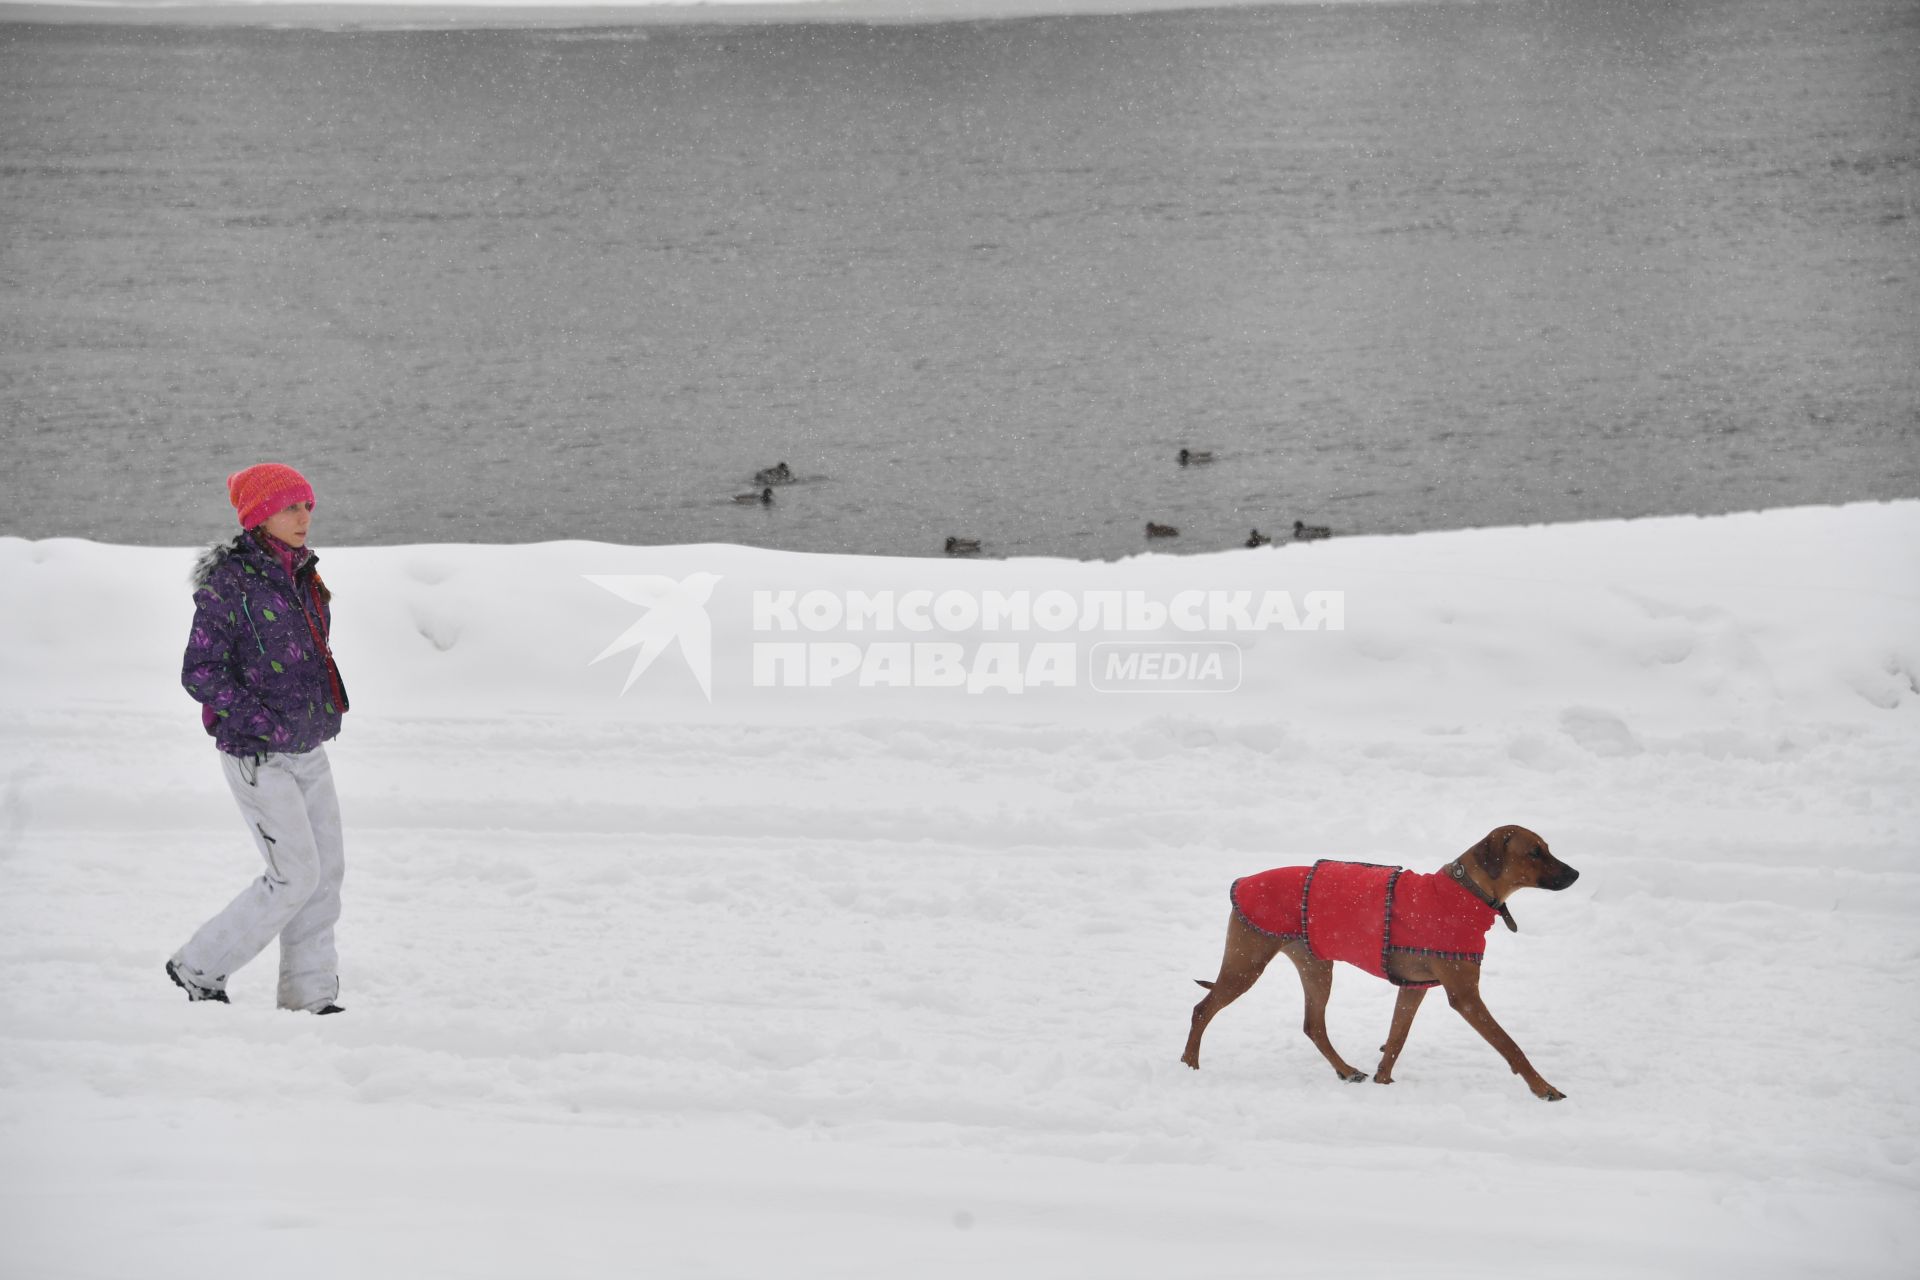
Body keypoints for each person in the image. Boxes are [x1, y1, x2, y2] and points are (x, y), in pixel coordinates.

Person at [167, 463, 350, 1014]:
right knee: (294, 875)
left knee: (325, 876)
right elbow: (200, 671)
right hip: (258, 754)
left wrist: (323, 709)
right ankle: (198, 967)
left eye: (308, 506)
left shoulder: (304, 575)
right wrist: (264, 723)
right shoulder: (229, 585)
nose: (304, 517)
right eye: (291, 506)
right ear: (258, 515)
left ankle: (310, 995)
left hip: (308, 745)